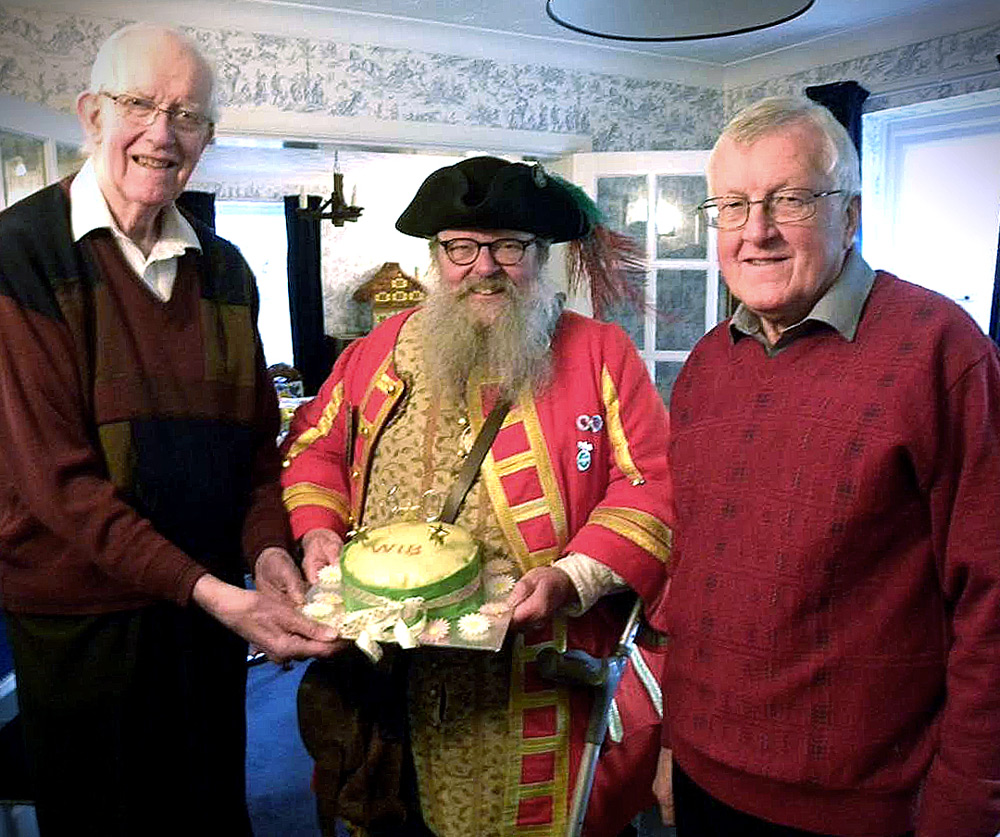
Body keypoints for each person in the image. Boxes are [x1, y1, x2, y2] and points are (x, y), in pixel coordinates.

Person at [0, 23, 339, 835]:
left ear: (207, 139)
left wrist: (264, 549)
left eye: (186, 114)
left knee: (212, 808)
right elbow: (62, 487)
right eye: (138, 104)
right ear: (91, 115)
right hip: (85, 626)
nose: (162, 131)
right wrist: (221, 594)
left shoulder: (225, 269)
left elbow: (257, 449)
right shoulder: (22, 255)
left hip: (206, 618)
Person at [281, 155, 674, 837]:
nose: (483, 266)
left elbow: (655, 483)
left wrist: (570, 575)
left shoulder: (601, 354)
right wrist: (318, 527)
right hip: (384, 671)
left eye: (508, 246)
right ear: (437, 257)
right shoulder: (375, 350)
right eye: (461, 247)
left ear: (541, 254)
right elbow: (315, 444)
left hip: (529, 672)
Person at [652, 95, 1000, 837]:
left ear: (851, 214)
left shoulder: (943, 351)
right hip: (705, 776)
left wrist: (966, 805)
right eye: (734, 206)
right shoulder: (710, 364)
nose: (758, 232)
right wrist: (671, 739)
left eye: (792, 200)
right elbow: (691, 572)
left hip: (863, 808)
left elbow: (992, 599)